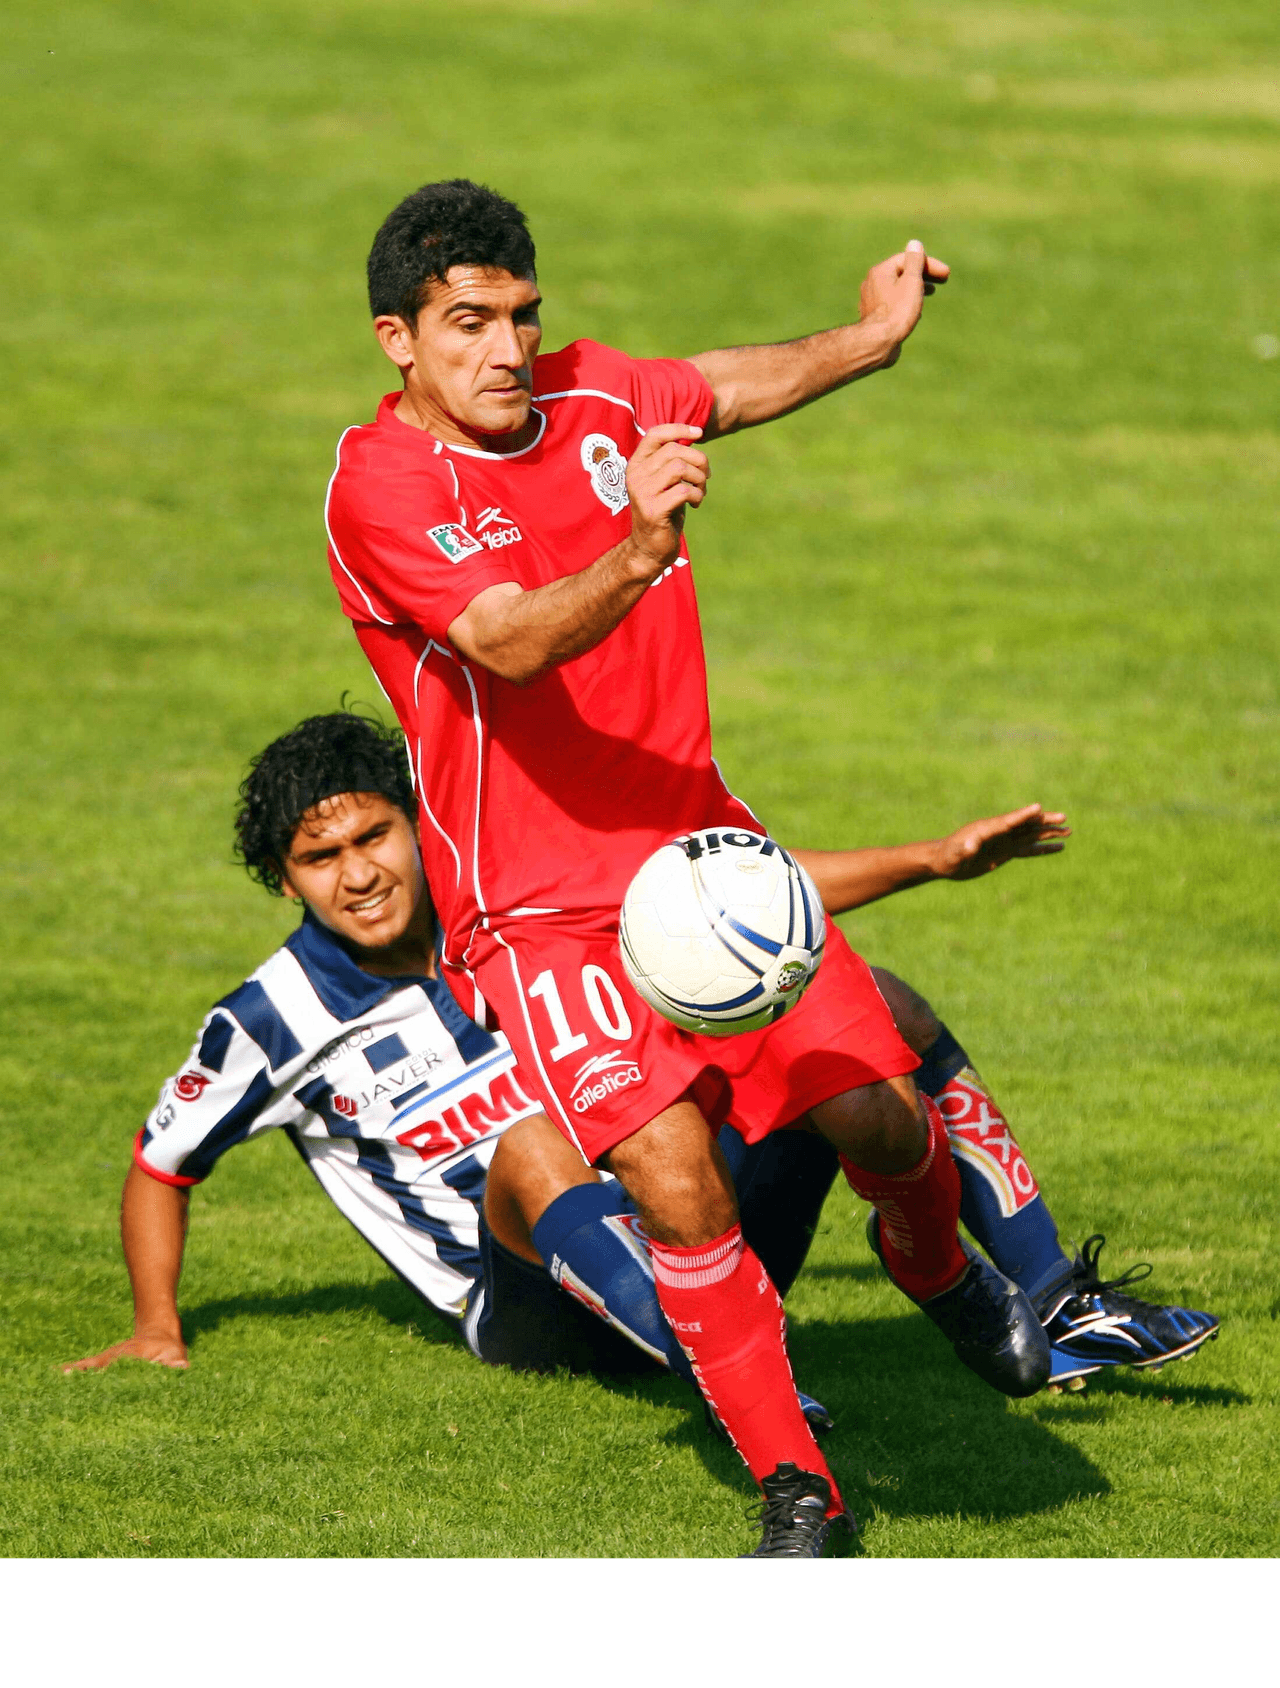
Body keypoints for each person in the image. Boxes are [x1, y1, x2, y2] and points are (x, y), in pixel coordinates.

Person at [319, 179, 1137, 1554]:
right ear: (399, 339)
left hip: (705, 860)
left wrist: (867, 340)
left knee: (881, 1116)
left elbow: (715, 388)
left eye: (522, 317)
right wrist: (641, 548)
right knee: (675, 1179)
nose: (505, 352)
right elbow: (508, 643)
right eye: (467, 327)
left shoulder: (586, 397)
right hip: (538, 911)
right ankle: (799, 1488)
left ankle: (937, 1265)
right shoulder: (382, 485)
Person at [67, 716, 1217, 1423]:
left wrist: (932, 857)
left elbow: (727, 903)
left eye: (372, 836)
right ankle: (744, 1391)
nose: (356, 873)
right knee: (528, 1141)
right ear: (284, 880)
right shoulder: (268, 1016)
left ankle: (1058, 1295)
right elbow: (160, 1162)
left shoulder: (515, 902)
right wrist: (158, 1322)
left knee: (870, 1014)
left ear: (419, 826)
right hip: (526, 1298)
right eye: (319, 858)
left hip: (687, 1213)